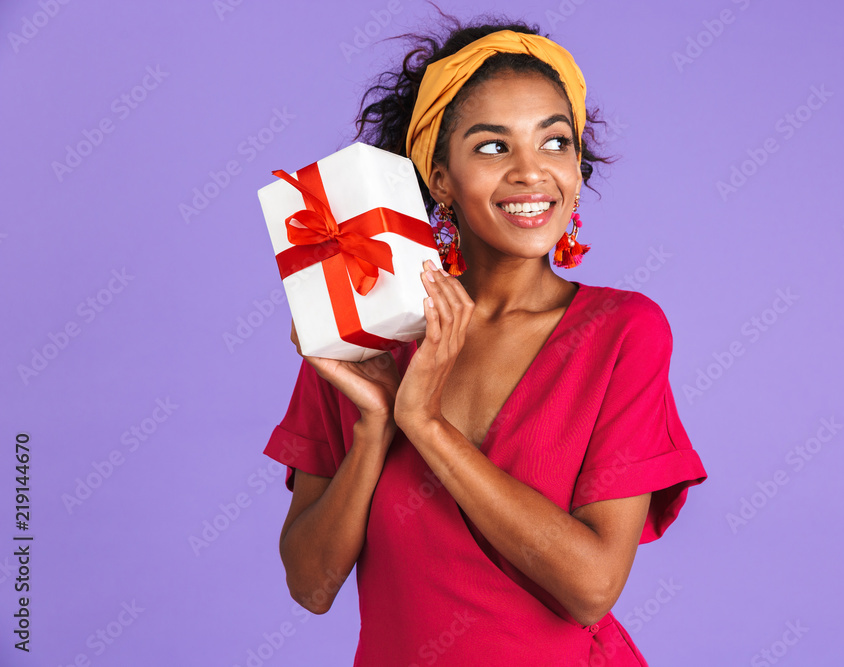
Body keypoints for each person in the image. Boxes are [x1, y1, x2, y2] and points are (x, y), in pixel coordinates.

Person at [263, 10, 708, 666]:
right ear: (440, 176)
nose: (532, 172)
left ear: (578, 165)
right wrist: (374, 426)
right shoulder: (367, 328)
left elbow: (590, 587)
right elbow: (312, 584)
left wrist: (426, 423)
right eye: (494, 146)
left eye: (554, 142)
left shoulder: (622, 333)